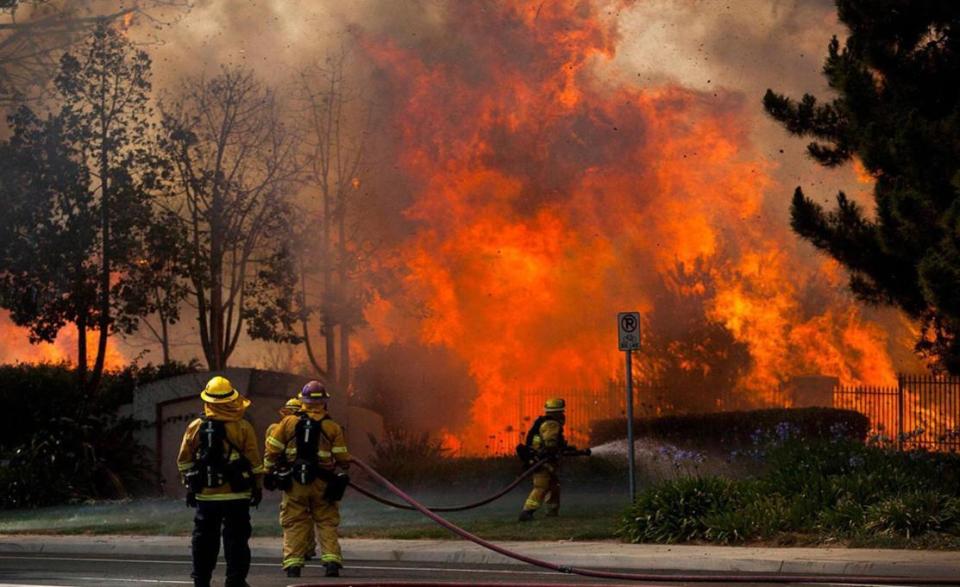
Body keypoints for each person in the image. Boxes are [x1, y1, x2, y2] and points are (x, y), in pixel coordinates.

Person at [176, 376, 264, 587]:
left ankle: (201, 581)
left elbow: (184, 461)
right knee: (237, 541)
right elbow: (255, 463)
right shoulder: (243, 427)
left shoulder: (196, 426)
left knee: (204, 540)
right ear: (231, 400)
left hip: (206, 496)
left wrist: (190, 487)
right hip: (237, 495)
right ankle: (235, 581)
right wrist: (257, 488)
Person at [264, 380, 351, 578]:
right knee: (326, 521)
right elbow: (343, 457)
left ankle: (294, 564)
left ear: (303, 401)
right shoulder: (332, 426)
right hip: (323, 482)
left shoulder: (289, 422)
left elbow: (273, 449)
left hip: (295, 483)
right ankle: (331, 562)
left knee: (294, 521)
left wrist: (268, 472)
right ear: (324, 402)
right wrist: (344, 464)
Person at [264, 397, 316, 561]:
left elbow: (271, 451)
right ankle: (307, 548)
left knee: (293, 517)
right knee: (308, 515)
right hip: (311, 476)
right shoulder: (313, 425)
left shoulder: (278, 427)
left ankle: (295, 554)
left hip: (289, 477)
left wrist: (268, 471)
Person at [518, 397, 568, 522]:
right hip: (542, 461)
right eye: (562, 412)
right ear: (558, 412)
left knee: (553, 485)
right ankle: (527, 512)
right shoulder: (552, 423)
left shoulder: (542, 422)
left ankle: (552, 512)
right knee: (541, 486)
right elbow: (550, 442)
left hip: (540, 459)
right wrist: (555, 451)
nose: (563, 415)